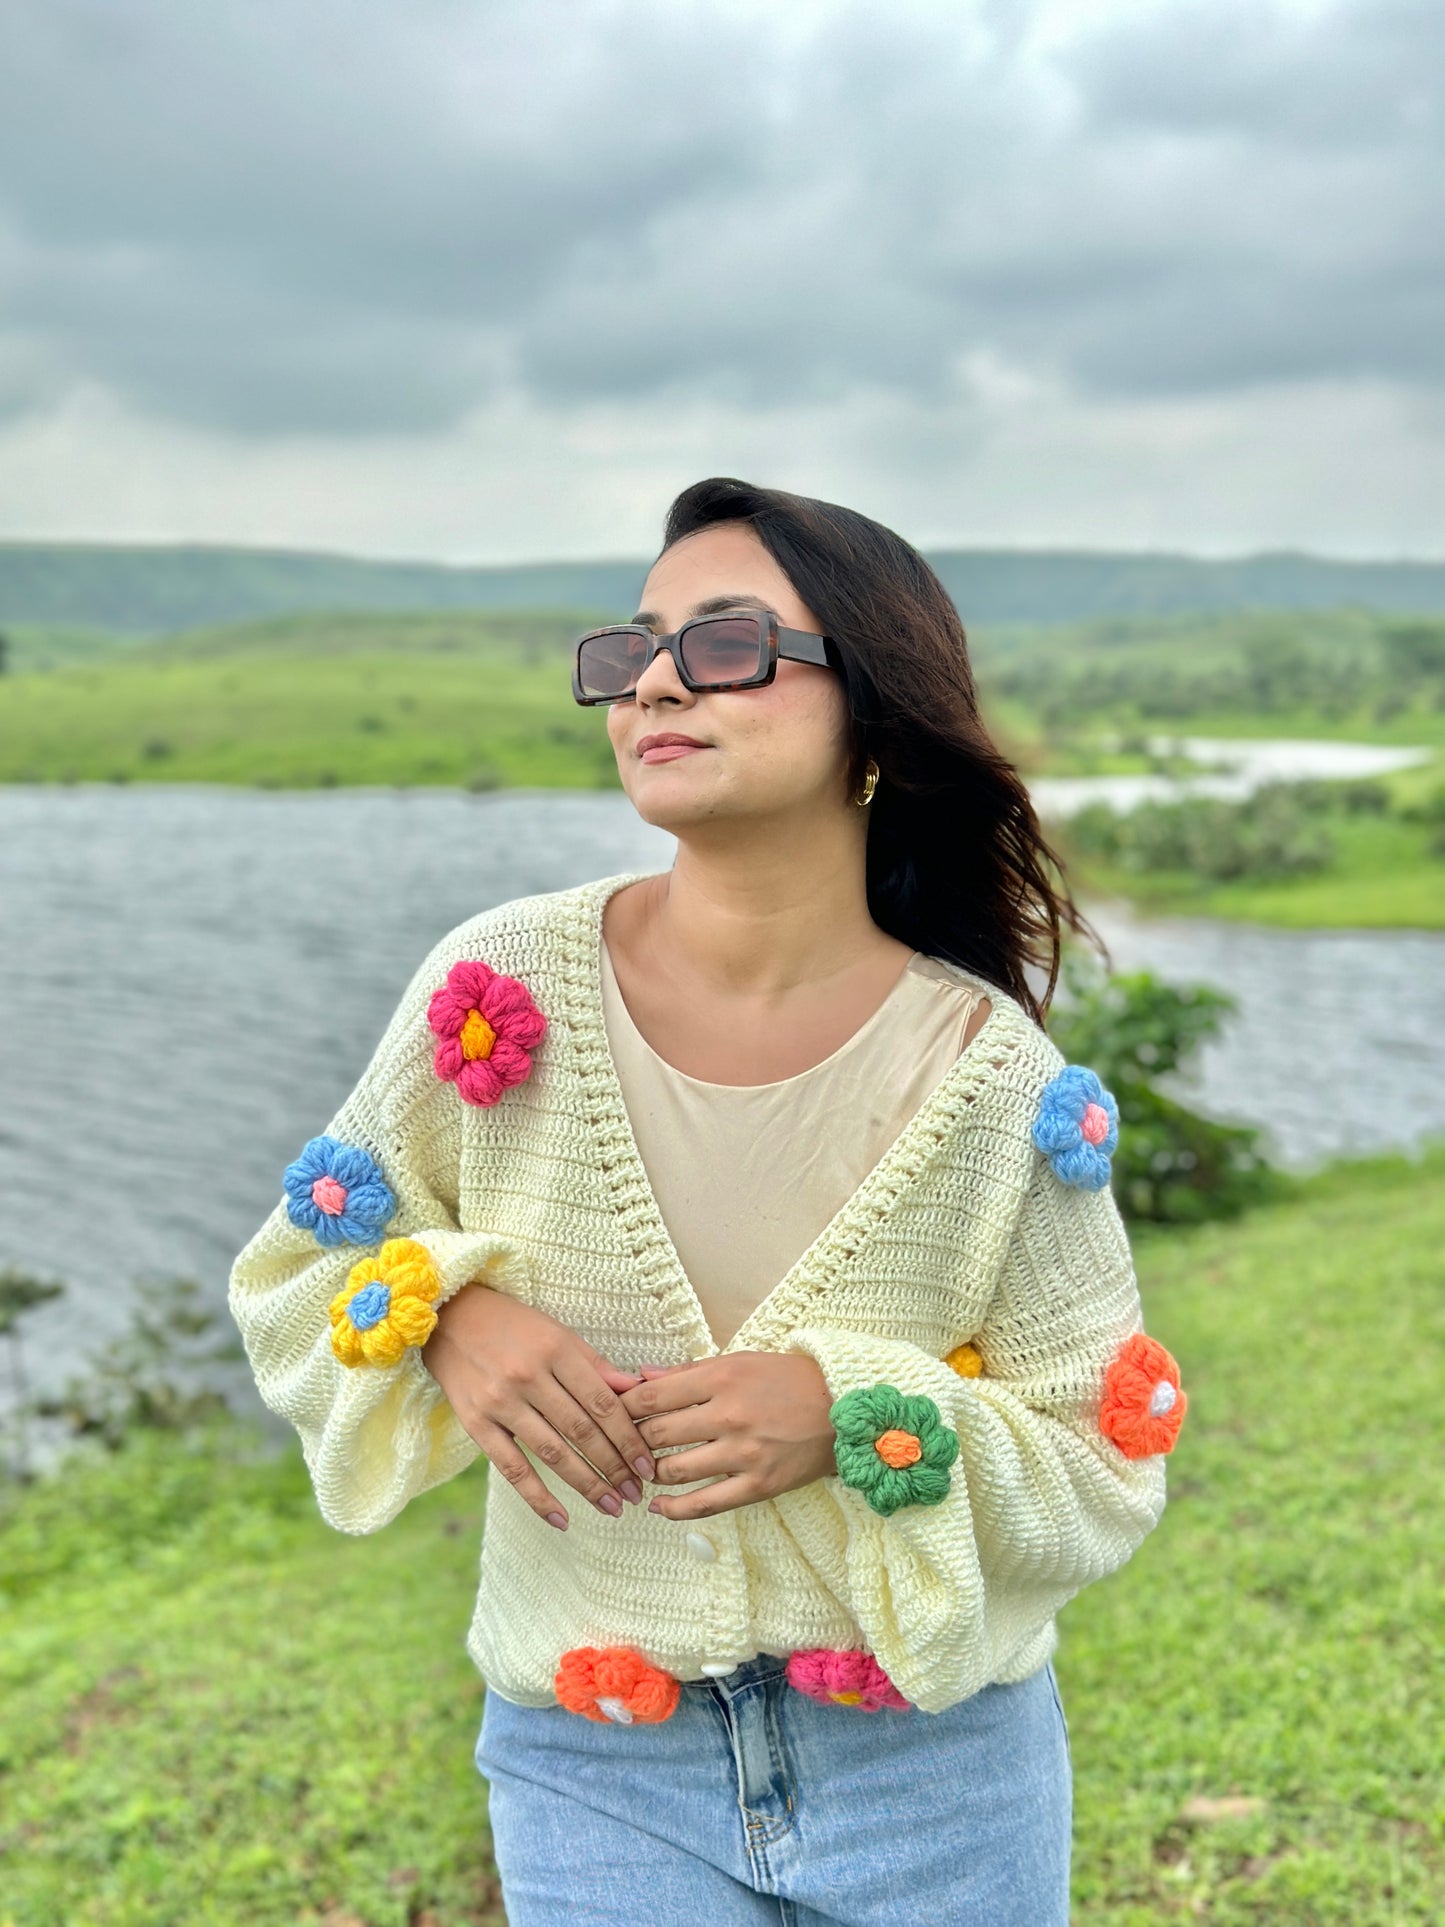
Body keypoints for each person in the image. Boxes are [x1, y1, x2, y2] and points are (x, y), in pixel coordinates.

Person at [228, 476, 1186, 1926]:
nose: (657, 681)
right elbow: (298, 1270)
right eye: (631, 649)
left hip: (937, 1776)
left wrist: (857, 1414)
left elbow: (1100, 1462)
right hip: (590, 1762)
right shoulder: (497, 998)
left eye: (727, 644)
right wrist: (443, 1315)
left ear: (871, 708)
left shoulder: (996, 1082)